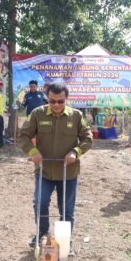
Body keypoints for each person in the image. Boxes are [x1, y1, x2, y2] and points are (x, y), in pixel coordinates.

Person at [18, 82, 93, 249]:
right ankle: (42, 232)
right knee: (40, 202)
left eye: (60, 101)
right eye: (52, 101)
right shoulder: (37, 114)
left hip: (68, 172)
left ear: (67, 99)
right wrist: (33, 152)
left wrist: (75, 152)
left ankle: (64, 241)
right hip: (44, 171)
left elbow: (88, 139)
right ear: (47, 98)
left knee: (66, 209)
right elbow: (23, 135)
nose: (56, 105)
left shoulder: (77, 116)